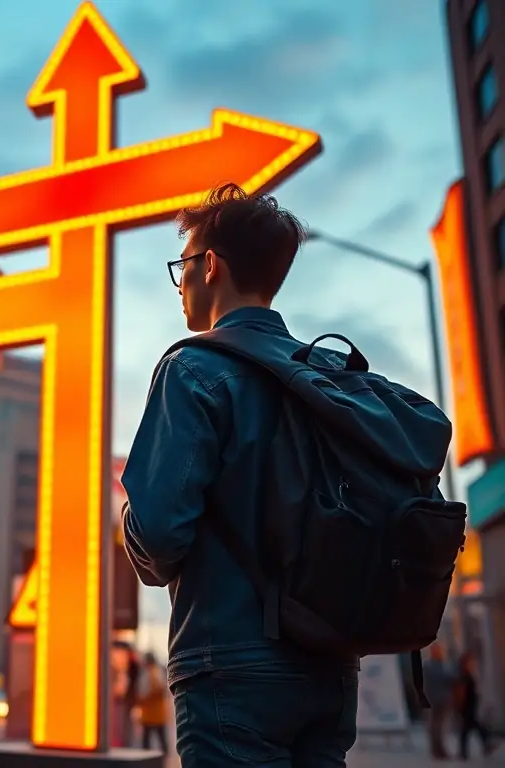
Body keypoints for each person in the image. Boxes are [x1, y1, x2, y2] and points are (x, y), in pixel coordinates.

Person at [122, 183, 457, 767]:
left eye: (183, 267)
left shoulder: (193, 370)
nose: (181, 285)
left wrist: (131, 517)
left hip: (229, 661)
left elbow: (158, 537)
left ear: (210, 266)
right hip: (330, 662)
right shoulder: (331, 377)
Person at [455, 652, 494, 759]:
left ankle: (465, 751)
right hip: (467, 706)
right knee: (469, 727)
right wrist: (460, 705)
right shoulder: (464, 676)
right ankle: (485, 742)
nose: (473, 664)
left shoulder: (469, 675)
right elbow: (462, 692)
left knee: (469, 727)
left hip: (471, 705)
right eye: (471, 662)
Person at [422, 641, 453, 759]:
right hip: (439, 699)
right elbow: (449, 678)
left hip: (434, 699)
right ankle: (438, 749)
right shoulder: (439, 666)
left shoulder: (428, 666)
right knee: (438, 726)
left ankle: (437, 749)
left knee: (436, 726)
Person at [137, 653, 170, 759]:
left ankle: (147, 759)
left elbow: (146, 692)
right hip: (155, 713)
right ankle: (164, 758)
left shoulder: (151, 673)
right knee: (159, 738)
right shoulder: (157, 672)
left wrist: (144, 698)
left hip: (151, 713)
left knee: (147, 740)